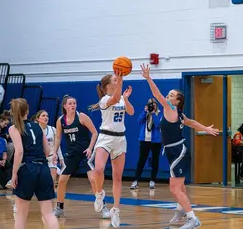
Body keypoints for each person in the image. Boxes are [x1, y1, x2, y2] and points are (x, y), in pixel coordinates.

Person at [141, 64, 219, 229]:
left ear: (176, 101)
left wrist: (148, 78)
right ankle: (181, 209)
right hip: (173, 151)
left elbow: (156, 94)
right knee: (180, 186)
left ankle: (193, 218)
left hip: (178, 152)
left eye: (171, 95)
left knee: (174, 189)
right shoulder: (179, 114)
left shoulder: (170, 108)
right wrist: (205, 128)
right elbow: (190, 122)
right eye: (169, 94)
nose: (168, 96)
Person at [52, 95, 110, 219]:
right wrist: (54, 152)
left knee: (94, 180)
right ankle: (59, 208)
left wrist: (90, 148)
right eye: (70, 103)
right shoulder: (60, 120)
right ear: (65, 106)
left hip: (84, 154)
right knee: (61, 181)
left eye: (74, 103)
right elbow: (58, 137)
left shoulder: (82, 117)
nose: (73, 105)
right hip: (71, 155)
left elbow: (95, 132)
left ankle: (103, 206)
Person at [90, 71, 134, 228]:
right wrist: (121, 85)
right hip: (106, 137)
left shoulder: (121, 98)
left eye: (118, 79)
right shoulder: (105, 99)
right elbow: (115, 98)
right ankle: (99, 193)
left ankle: (116, 209)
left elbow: (131, 112)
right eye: (116, 79)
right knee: (99, 169)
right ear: (109, 85)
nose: (119, 80)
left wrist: (126, 99)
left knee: (117, 177)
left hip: (120, 139)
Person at [9, 98, 59, 229]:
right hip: (43, 169)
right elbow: (47, 150)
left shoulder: (14, 128)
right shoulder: (38, 126)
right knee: (48, 213)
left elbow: (19, 152)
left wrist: (14, 174)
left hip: (27, 169)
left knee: (21, 214)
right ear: (27, 110)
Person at [130, 98, 163, 190]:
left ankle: (152, 180)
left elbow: (157, 125)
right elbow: (139, 121)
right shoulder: (145, 113)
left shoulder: (160, 114)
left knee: (155, 161)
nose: (152, 106)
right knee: (141, 160)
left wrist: (153, 114)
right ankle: (136, 180)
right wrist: (145, 112)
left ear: (156, 105)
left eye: (153, 104)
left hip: (156, 141)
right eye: (150, 104)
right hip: (144, 140)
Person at [35, 110, 65, 186]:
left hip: (51, 158)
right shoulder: (34, 130)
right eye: (43, 116)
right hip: (39, 158)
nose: (46, 117)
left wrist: (61, 159)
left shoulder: (53, 129)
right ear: (38, 119)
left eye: (47, 116)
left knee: (52, 180)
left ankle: (50, 195)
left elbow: (57, 146)